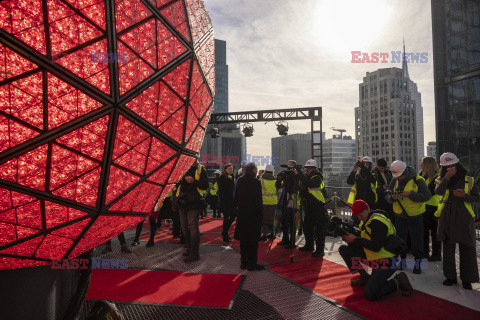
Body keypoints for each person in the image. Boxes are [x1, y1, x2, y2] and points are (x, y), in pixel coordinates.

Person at [339, 200, 413, 301]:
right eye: (357, 216)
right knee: (344, 249)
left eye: (361, 214)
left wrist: (356, 239)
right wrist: (349, 239)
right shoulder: (366, 221)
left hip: (387, 261)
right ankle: (365, 277)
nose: (360, 218)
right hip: (375, 257)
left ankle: (398, 280)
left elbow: (375, 246)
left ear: (368, 209)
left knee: (370, 293)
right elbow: (365, 244)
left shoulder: (377, 221)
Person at [434, 152, 479, 290]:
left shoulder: (469, 180)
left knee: (467, 247)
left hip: (464, 217)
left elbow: (476, 198)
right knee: (448, 247)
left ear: (457, 164)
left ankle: (468, 279)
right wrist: (446, 178)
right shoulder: (441, 179)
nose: (450, 168)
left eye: (452, 165)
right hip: (447, 216)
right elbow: (438, 192)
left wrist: (464, 195)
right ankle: (450, 277)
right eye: (446, 167)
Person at [386, 160, 431, 274]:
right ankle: (402, 261)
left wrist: (410, 194)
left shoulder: (418, 180)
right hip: (400, 214)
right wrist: (392, 197)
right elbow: (388, 194)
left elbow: (427, 196)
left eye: (400, 176)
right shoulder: (394, 178)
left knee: (417, 240)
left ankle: (418, 263)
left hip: (415, 215)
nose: (398, 178)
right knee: (401, 239)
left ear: (405, 171)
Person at [173, 158, 208, 262]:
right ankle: (189, 248)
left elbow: (205, 185)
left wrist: (194, 181)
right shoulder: (182, 168)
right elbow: (176, 184)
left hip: (194, 202)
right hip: (182, 202)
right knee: (184, 227)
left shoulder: (201, 169)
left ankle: (194, 253)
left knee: (192, 227)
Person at [234, 162, 264, 271]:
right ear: (254, 170)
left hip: (242, 214)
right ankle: (252, 263)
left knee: (243, 240)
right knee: (253, 241)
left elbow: (235, 196)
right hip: (253, 215)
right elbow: (258, 200)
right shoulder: (256, 181)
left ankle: (243, 262)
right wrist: (260, 214)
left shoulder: (240, 180)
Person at [296, 159, 328, 257]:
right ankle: (309, 245)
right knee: (307, 227)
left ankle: (320, 250)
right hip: (309, 206)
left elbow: (311, 183)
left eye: (308, 168)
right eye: (306, 168)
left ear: (313, 168)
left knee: (319, 230)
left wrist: (299, 175)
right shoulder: (307, 177)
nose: (306, 170)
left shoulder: (317, 177)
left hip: (318, 206)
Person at [419, 156, 441, 262]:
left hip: (434, 207)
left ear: (427, 164)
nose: (420, 165)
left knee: (434, 232)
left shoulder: (438, 177)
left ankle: (436, 254)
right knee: (423, 231)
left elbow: (430, 193)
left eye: (422, 163)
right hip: (423, 207)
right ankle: (425, 252)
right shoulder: (421, 176)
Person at [276, 160, 299, 249]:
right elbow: (278, 185)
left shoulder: (296, 174)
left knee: (291, 221)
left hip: (293, 198)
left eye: (289, 167)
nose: (288, 169)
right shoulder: (286, 174)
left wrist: (290, 176)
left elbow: (292, 187)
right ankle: (285, 239)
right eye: (287, 167)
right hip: (284, 198)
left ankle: (292, 242)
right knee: (284, 220)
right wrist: (279, 178)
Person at [218, 163, 236, 243]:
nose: (231, 170)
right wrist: (229, 180)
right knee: (226, 218)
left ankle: (224, 231)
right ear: (225, 170)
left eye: (232, 169)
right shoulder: (222, 177)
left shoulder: (232, 177)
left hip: (231, 201)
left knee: (232, 216)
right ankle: (225, 235)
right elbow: (227, 189)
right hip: (225, 201)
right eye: (229, 169)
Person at [374, 158, 394, 223]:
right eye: (381, 168)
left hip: (389, 197)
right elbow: (373, 186)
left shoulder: (388, 172)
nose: (382, 170)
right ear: (377, 166)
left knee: (390, 215)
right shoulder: (373, 173)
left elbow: (392, 181)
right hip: (380, 198)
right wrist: (382, 188)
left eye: (384, 168)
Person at [260, 165, 277, 240]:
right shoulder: (275, 180)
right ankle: (272, 234)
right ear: (272, 172)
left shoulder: (261, 180)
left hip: (264, 201)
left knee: (264, 219)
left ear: (265, 171)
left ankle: (264, 235)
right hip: (273, 201)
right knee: (273, 219)